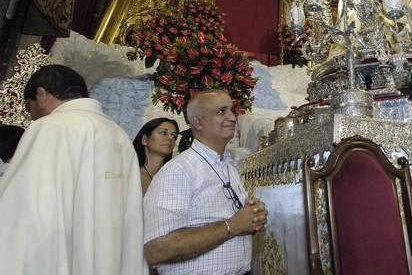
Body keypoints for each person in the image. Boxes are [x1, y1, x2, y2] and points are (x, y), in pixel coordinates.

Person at [0, 64, 146, 275]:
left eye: (29, 107)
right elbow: (131, 221)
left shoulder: (52, 126)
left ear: (40, 94)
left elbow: (25, 209)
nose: (31, 116)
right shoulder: (119, 136)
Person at [144, 89, 267, 275]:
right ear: (197, 122)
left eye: (232, 110)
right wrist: (233, 226)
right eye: (221, 111)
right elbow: (156, 250)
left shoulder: (230, 170)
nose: (232, 117)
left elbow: (235, 221)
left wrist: (252, 217)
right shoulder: (178, 171)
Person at [133, 117, 179, 194]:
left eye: (174, 136)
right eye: (163, 133)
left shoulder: (173, 179)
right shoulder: (130, 174)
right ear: (145, 140)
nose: (170, 138)